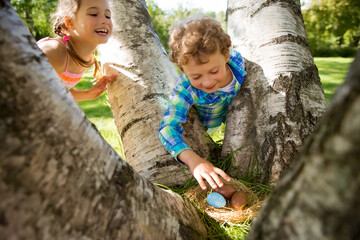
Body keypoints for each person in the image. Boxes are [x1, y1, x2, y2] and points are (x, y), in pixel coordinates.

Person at [158, 16, 247, 190]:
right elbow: (167, 128)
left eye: (214, 71)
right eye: (196, 76)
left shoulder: (237, 61)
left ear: (226, 56)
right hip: (207, 123)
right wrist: (194, 161)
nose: (207, 82)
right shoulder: (186, 89)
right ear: (183, 71)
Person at [37, 0, 117, 101]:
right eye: (93, 14)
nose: (104, 20)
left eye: (107, 16)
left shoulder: (87, 57)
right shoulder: (53, 53)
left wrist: (88, 94)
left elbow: (59, 89)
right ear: (69, 22)